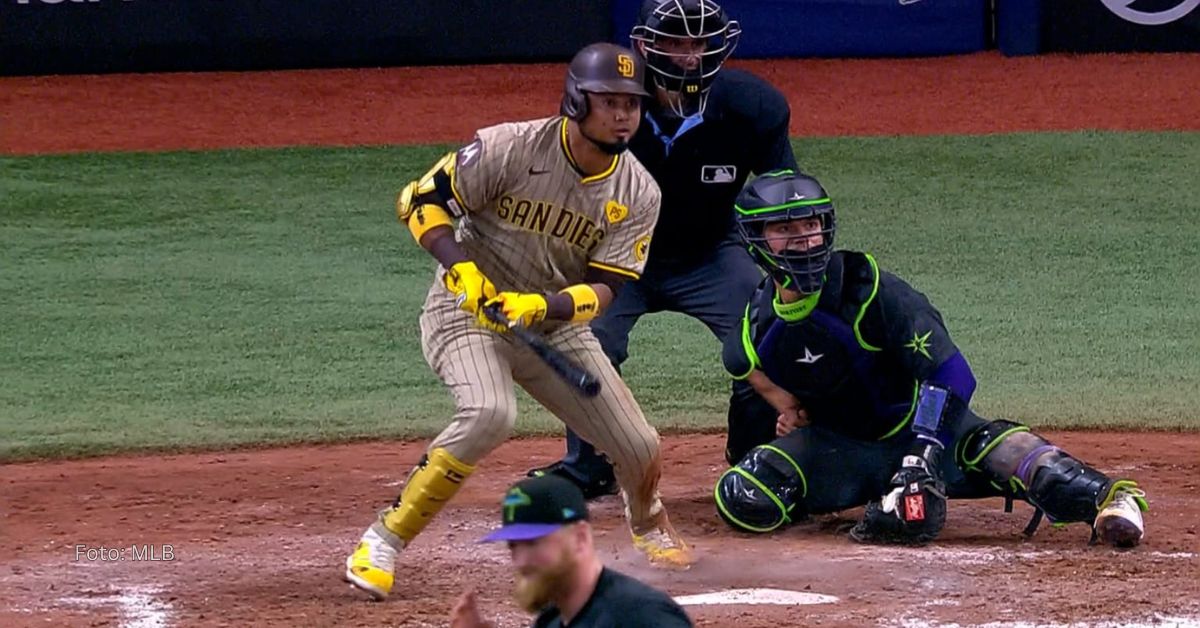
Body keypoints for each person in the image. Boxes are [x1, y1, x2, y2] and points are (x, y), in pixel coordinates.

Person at [343, 42, 695, 602]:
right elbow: (419, 201)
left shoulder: (638, 192)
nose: (624, 114)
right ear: (577, 100)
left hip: (552, 327)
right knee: (489, 412)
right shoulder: (509, 145)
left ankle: (648, 522)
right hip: (466, 316)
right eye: (610, 101)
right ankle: (381, 542)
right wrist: (460, 270)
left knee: (638, 444)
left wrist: (543, 307)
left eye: (632, 103)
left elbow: (608, 287)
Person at [712, 170, 1149, 548]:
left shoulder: (867, 289)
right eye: (785, 230)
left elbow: (951, 372)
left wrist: (924, 448)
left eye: (811, 225)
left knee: (1004, 451)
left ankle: (1110, 500)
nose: (804, 240)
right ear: (755, 240)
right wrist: (785, 407)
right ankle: (877, 495)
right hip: (840, 448)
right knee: (743, 496)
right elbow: (740, 360)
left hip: (923, 432)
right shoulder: (761, 318)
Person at [529, 0, 799, 499]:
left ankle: (757, 461)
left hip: (712, 252)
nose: (690, 57)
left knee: (766, 332)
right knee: (585, 340)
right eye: (676, 42)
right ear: (645, 46)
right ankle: (588, 464)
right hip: (617, 258)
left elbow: (783, 195)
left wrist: (786, 273)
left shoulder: (753, 107)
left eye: (698, 43)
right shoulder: (605, 108)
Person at [450, 475, 694, 627]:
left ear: (580, 537)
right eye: (513, 546)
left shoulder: (642, 618)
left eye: (534, 543)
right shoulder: (552, 620)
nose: (521, 560)